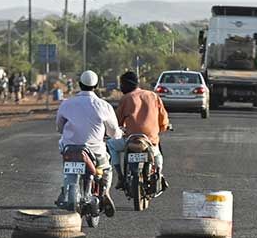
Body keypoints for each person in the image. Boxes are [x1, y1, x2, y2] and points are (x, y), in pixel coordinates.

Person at [57, 70, 121, 215]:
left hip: (70, 149)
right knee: (106, 169)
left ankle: (65, 190)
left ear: (79, 84)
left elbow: (59, 127)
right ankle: (104, 193)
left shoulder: (67, 104)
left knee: (67, 168)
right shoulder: (103, 106)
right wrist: (116, 134)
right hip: (95, 151)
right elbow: (113, 132)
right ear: (96, 85)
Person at [113, 71, 171, 191]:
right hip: (149, 140)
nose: (120, 87)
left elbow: (116, 122)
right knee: (157, 153)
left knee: (111, 146)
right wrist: (163, 127)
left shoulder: (126, 99)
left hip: (131, 140)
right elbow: (163, 119)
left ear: (127, 84)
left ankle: (120, 176)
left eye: (122, 84)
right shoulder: (153, 96)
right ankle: (159, 174)